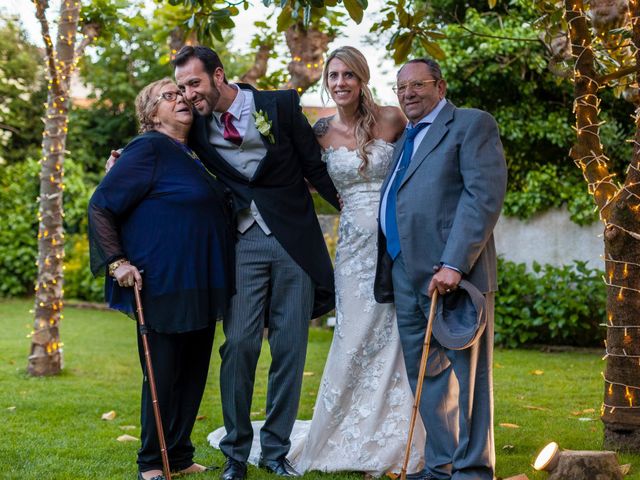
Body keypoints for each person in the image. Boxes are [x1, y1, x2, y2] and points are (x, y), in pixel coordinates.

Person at [209, 45, 425, 476]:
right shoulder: (319, 129)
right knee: (353, 335)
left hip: (395, 239)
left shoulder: (392, 119)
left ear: (362, 78)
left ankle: (395, 428)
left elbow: (422, 162)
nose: (340, 83)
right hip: (352, 250)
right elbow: (292, 169)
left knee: (394, 336)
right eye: (333, 76)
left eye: (348, 75)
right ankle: (339, 428)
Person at [172, 46, 341, 480]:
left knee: (289, 348)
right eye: (182, 87)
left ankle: (275, 451)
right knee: (241, 344)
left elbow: (313, 165)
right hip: (241, 243)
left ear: (218, 75)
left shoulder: (279, 105)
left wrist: (350, 205)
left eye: (194, 83)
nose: (189, 95)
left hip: (294, 242)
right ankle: (235, 453)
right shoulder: (195, 127)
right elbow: (164, 146)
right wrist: (124, 159)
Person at [89, 78, 235, 480]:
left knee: (192, 373)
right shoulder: (148, 148)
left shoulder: (192, 154)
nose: (182, 98)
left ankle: (180, 455)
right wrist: (117, 262)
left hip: (200, 279)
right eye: (168, 96)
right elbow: (101, 204)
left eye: (183, 93)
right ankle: (152, 463)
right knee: (164, 373)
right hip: (161, 280)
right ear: (151, 113)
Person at [374, 58, 507, 480]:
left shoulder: (471, 124)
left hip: (454, 276)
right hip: (405, 272)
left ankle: (472, 469)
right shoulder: (404, 140)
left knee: (470, 379)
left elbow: (482, 196)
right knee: (426, 373)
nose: (408, 93)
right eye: (401, 88)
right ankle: (440, 464)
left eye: (418, 84)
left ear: (441, 85)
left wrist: (454, 263)